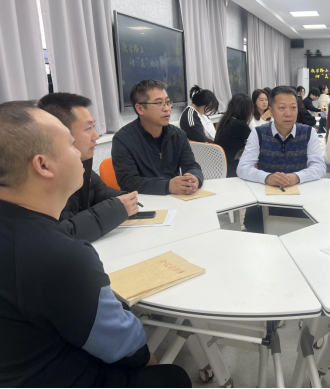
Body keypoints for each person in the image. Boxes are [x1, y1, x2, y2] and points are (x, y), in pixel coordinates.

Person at [0, 101, 191, 388]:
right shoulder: (60, 255)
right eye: (70, 144)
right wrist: (147, 360)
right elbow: (123, 343)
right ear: (43, 165)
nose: (80, 151)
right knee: (172, 378)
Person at [38, 93, 138, 243]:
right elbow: (55, 237)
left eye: (94, 127)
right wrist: (115, 209)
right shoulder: (40, 174)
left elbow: (99, 191)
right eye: (88, 128)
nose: (96, 136)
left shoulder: (83, 161)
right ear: (61, 132)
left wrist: (124, 199)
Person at [237, 86, 326, 233]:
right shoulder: (258, 133)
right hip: (265, 204)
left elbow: (319, 167)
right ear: (271, 111)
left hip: (301, 203)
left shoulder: (308, 133)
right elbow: (243, 167)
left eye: (293, 108)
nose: (288, 113)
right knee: (255, 235)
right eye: (282, 108)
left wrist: (297, 176)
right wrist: (267, 177)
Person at [112, 80, 204, 195]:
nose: (166, 108)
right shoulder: (123, 139)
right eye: (158, 103)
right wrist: (167, 185)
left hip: (175, 199)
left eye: (168, 102)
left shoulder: (178, 135)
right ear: (140, 109)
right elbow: (129, 182)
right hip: (144, 201)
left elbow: (191, 165)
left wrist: (195, 178)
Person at [214, 94, 253, 178]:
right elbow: (256, 140)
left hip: (220, 166)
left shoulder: (224, 121)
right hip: (232, 168)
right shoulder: (239, 124)